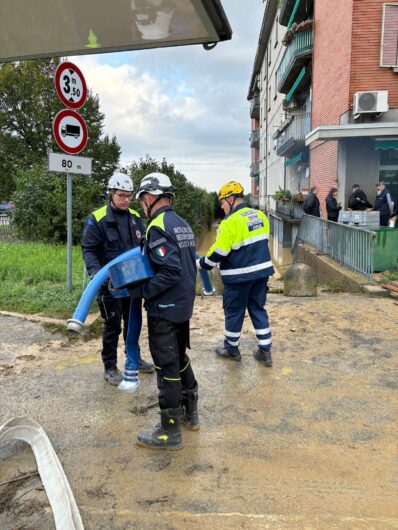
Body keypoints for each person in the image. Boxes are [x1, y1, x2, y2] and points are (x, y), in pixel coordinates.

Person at [130, 172, 199, 450]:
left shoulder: (157, 226)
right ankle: (190, 414)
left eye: (142, 200)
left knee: (166, 367)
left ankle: (169, 431)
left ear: (149, 197)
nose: (142, 206)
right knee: (179, 357)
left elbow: (170, 270)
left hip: (165, 308)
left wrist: (143, 292)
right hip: (182, 306)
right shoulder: (181, 223)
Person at [82, 172, 154, 387]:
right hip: (110, 285)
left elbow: (144, 246)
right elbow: (89, 249)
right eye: (121, 195)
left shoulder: (134, 217)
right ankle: (110, 366)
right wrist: (97, 274)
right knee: (113, 326)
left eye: (128, 196)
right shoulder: (98, 219)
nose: (125, 199)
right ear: (111, 193)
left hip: (132, 283)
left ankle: (134, 358)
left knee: (133, 323)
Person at [198, 181, 275, 367]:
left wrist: (203, 264)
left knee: (234, 311)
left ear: (231, 199)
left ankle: (231, 349)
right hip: (262, 273)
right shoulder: (261, 216)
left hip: (238, 277)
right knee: (258, 308)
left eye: (223, 203)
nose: (222, 207)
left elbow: (219, 252)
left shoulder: (229, 223)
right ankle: (265, 350)